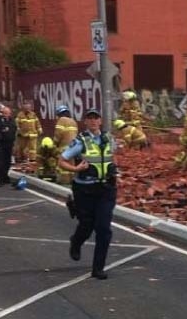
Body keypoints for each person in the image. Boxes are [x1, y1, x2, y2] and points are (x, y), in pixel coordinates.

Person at [58, 108, 118, 280]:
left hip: (106, 189)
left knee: (103, 228)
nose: (93, 121)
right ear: (85, 122)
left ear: (100, 121)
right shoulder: (79, 141)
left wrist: (114, 172)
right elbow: (62, 161)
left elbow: (113, 156)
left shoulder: (109, 139)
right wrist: (76, 168)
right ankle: (76, 242)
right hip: (85, 189)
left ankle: (98, 268)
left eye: (96, 118)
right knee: (87, 225)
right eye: (89, 118)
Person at [53, 105, 78, 184]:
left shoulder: (61, 120)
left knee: (63, 167)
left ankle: (64, 181)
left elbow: (58, 133)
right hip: (73, 147)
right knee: (71, 165)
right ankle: (72, 181)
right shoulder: (73, 121)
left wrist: (55, 143)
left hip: (63, 148)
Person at [0, 106, 17, 184]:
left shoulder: (12, 121)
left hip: (10, 143)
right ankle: (0, 178)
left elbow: (14, 130)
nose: (6, 114)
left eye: (7, 113)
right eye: (4, 113)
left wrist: (14, 143)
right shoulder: (0, 120)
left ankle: (5, 176)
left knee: (7, 161)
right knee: (1, 161)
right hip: (2, 143)